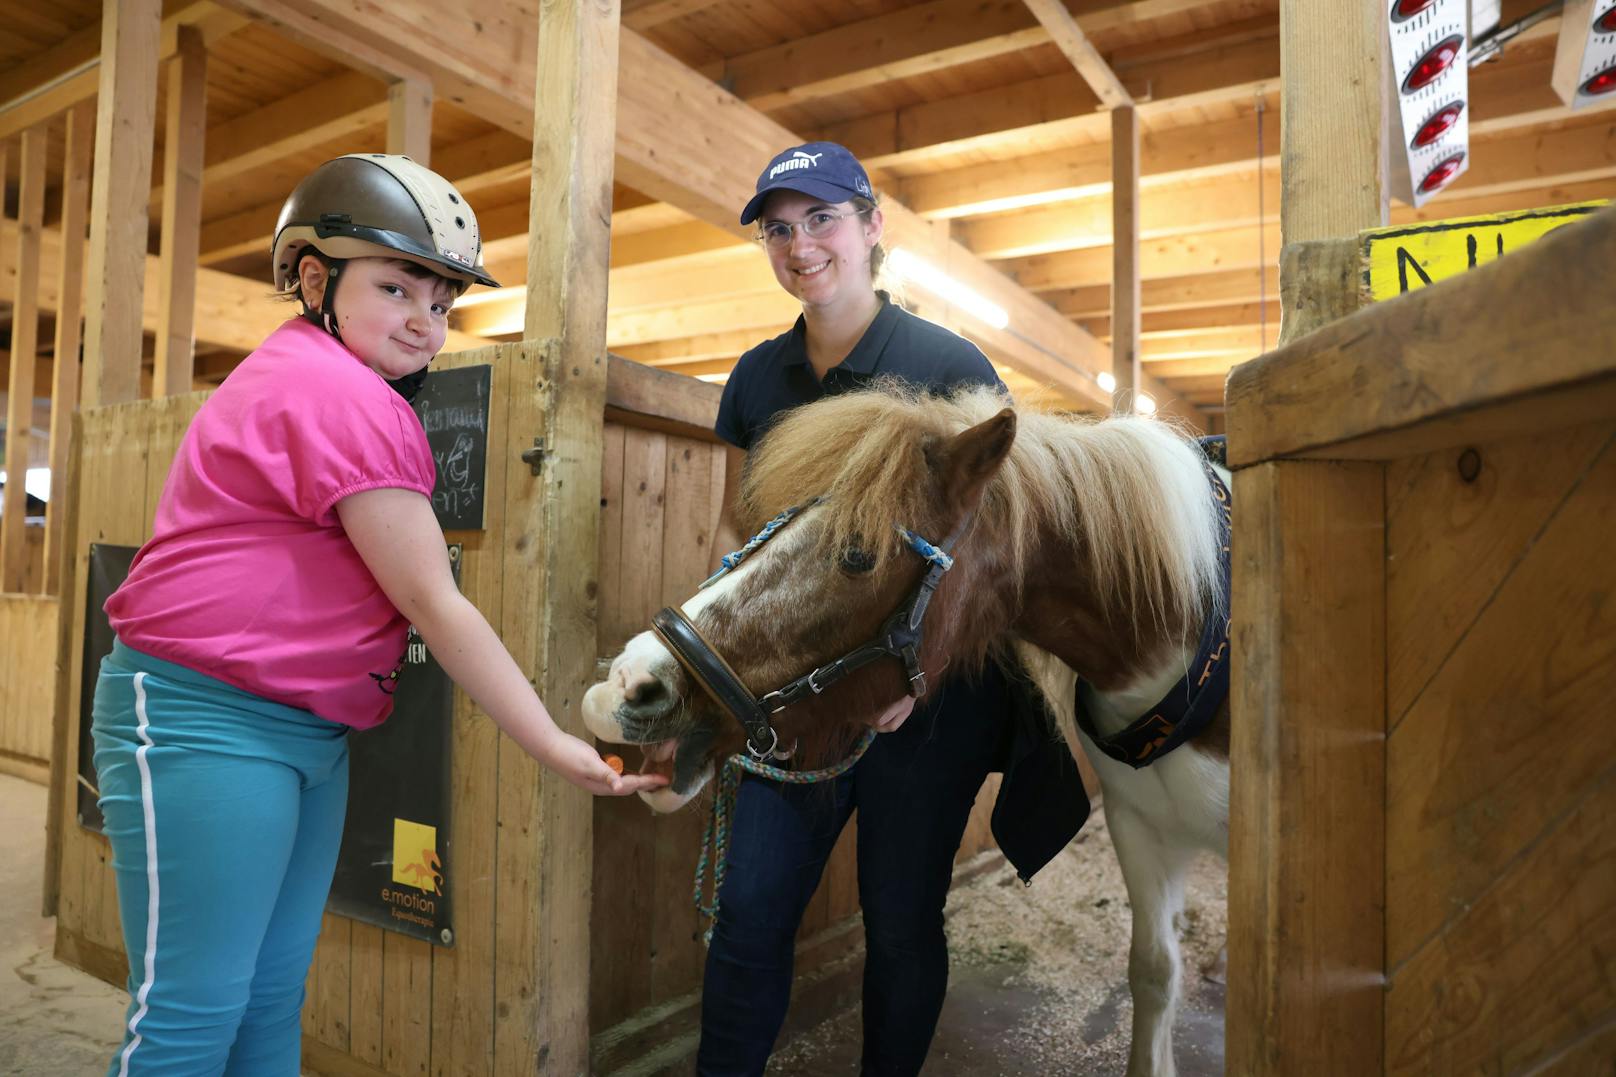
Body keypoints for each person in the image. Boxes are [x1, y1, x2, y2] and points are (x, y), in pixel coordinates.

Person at [91, 153, 666, 1076]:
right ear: (313, 279)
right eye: (396, 287)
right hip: (209, 720)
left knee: (265, 1001)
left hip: (305, 732)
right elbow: (434, 604)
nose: (423, 322)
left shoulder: (322, 375)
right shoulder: (336, 391)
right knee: (189, 1019)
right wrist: (557, 745)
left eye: (441, 304)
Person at [697, 141, 1089, 1077]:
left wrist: (921, 675)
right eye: (780, 231)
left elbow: (994, 557)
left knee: (903, 921)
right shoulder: (757, 379)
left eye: (822, 220)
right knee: (749, 915)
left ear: (873, 228)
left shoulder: (948, 366)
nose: (801, 247)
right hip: (796, 700)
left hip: (921, 701)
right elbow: (736, 528)